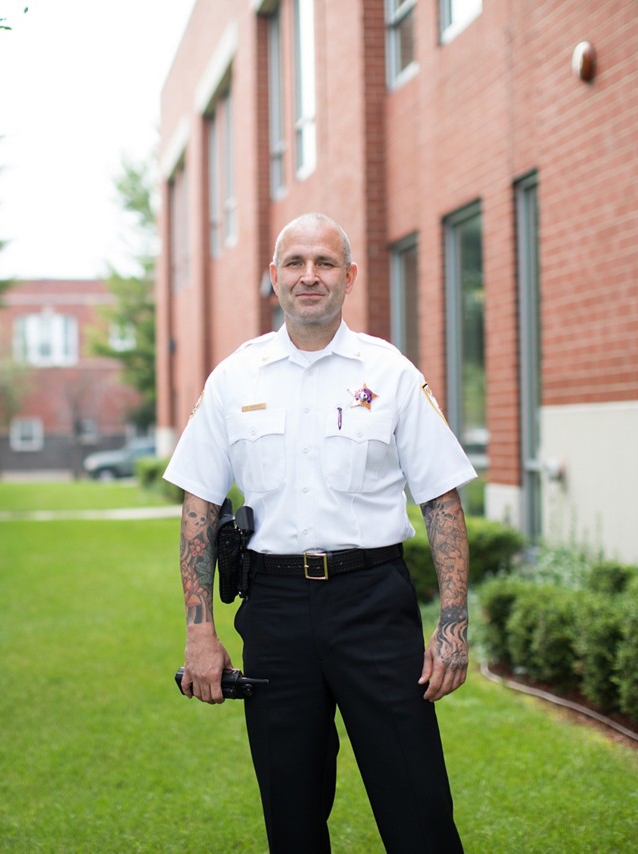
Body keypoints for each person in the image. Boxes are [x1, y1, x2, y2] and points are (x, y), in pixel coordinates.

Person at [164, 212, 476, 853]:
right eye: (296, 263)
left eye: (325, 263)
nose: (310, 276)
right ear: (273, 277)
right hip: (274, 614)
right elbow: (199, 508)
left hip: (374, 605)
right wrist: (200, 631)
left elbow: (441, 501)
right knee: (293, 817)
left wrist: (452, 624)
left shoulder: (388, 374)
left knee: (419, 809)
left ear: (349, 276)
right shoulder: (234, 379)